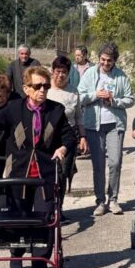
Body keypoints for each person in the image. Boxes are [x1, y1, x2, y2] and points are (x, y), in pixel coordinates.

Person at [0, 66, 75, 268]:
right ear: (26, 88)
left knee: (45, 222)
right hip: (18, 175)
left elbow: (69, 136)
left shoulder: (56, 110)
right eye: (37, 86)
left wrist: (62, 149)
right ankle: (17, 252)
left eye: (46, 86)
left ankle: (40, 267)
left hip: (45, 177)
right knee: (19, 219)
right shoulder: (14, 109)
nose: (42, 90)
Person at [78, 41, 134, 216]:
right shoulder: (89, 74)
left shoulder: (121, 76)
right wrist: (95, 95)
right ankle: (100, 201)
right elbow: (79, 96)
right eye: (103, 59)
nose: (105, 63)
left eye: (109, 60)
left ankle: (114, 199)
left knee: (115, 162)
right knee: (98, 164)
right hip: (94, 125)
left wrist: (114, 101)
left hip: (114, 125)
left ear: (114, 61)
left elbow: (130, 99)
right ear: (99, 59)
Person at [48, 56, 88, 221]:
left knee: (63, 173)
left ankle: (59, 208)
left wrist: (83, 136)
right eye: (58, 72)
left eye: (64, 72)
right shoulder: (45, 90)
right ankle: (47, 207)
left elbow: (78, 116)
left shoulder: (73, 91)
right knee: (48, 173)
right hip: (48, 137)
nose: (61, 75)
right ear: (52, 71)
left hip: (68, 137)